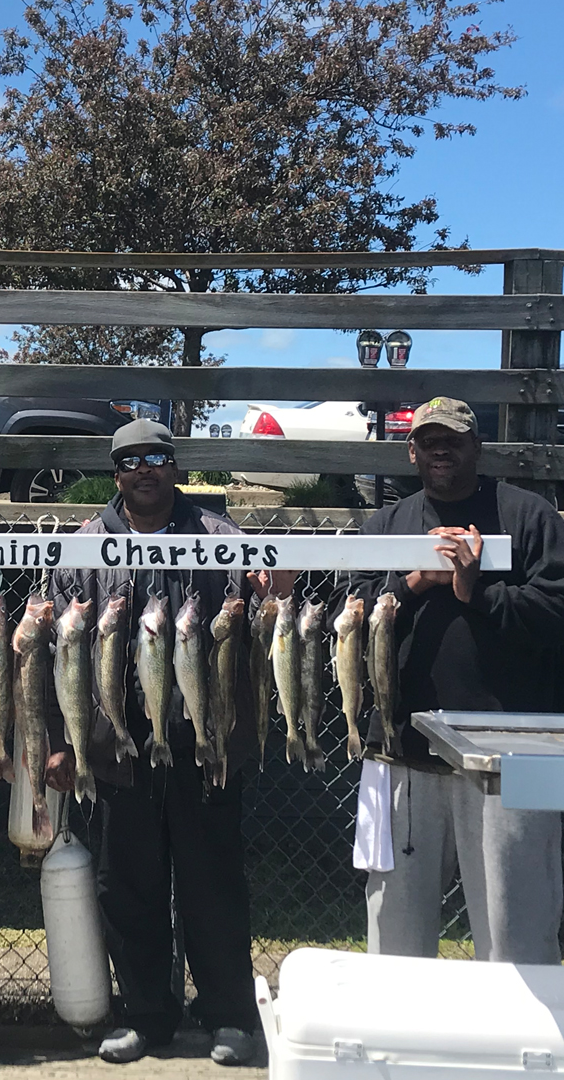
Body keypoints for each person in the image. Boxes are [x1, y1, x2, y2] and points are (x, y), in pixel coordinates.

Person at [48, 419, 295, 1066]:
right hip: (117, 747)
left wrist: (278, 592)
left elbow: (268, 609)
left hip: (204, 742)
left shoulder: (218, 537)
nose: (144, 469)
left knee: (213, 885)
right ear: (115, 472)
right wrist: (60, 741)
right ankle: (147, 1018)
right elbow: (55, 654)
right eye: (130, 460)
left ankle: (230, 1017)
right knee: (127, 888)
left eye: (156, 456)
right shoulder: (83, 544)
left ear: (174, 464)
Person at [338, 396, 564, 963]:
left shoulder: (531, 515)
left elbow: (555, 613)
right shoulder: (385, 525)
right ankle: (399, 1040)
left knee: (521, 925)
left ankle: (522, 1046)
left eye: (454, 439)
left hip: (520, 761)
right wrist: (415, 582)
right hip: (399, 755)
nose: (442, 448)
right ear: (411, 451)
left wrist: (477, 592)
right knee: (395, 927)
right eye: (429, 439)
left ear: (476, 447)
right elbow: (352, 617)